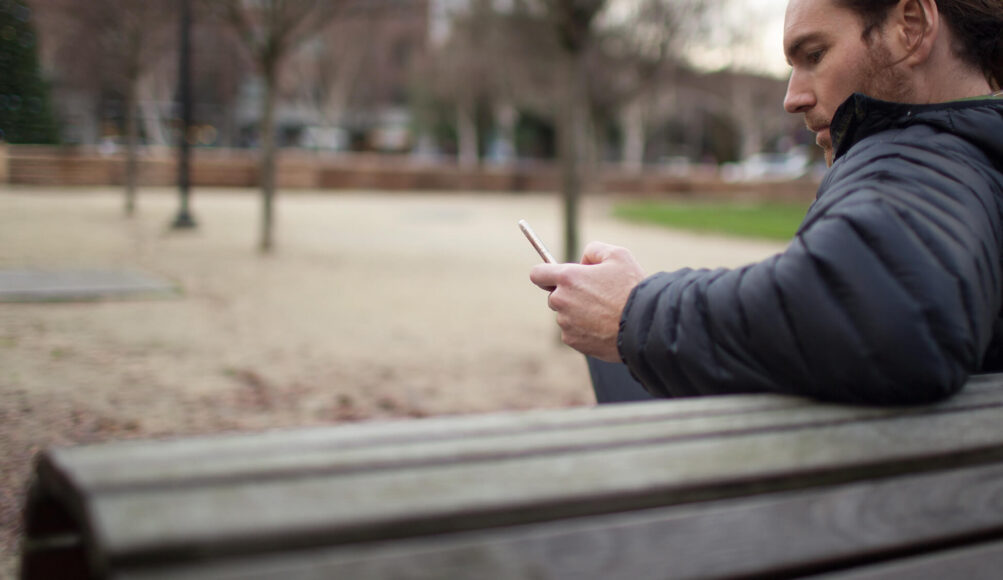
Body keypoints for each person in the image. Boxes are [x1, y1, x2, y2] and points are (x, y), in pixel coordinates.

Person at [530, 0, 1003, 405]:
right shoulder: (966, 156)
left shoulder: (915, 156)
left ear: (911, 26)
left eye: (814, 55)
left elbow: (891, 309)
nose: (792, 98)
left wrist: (635, 311)